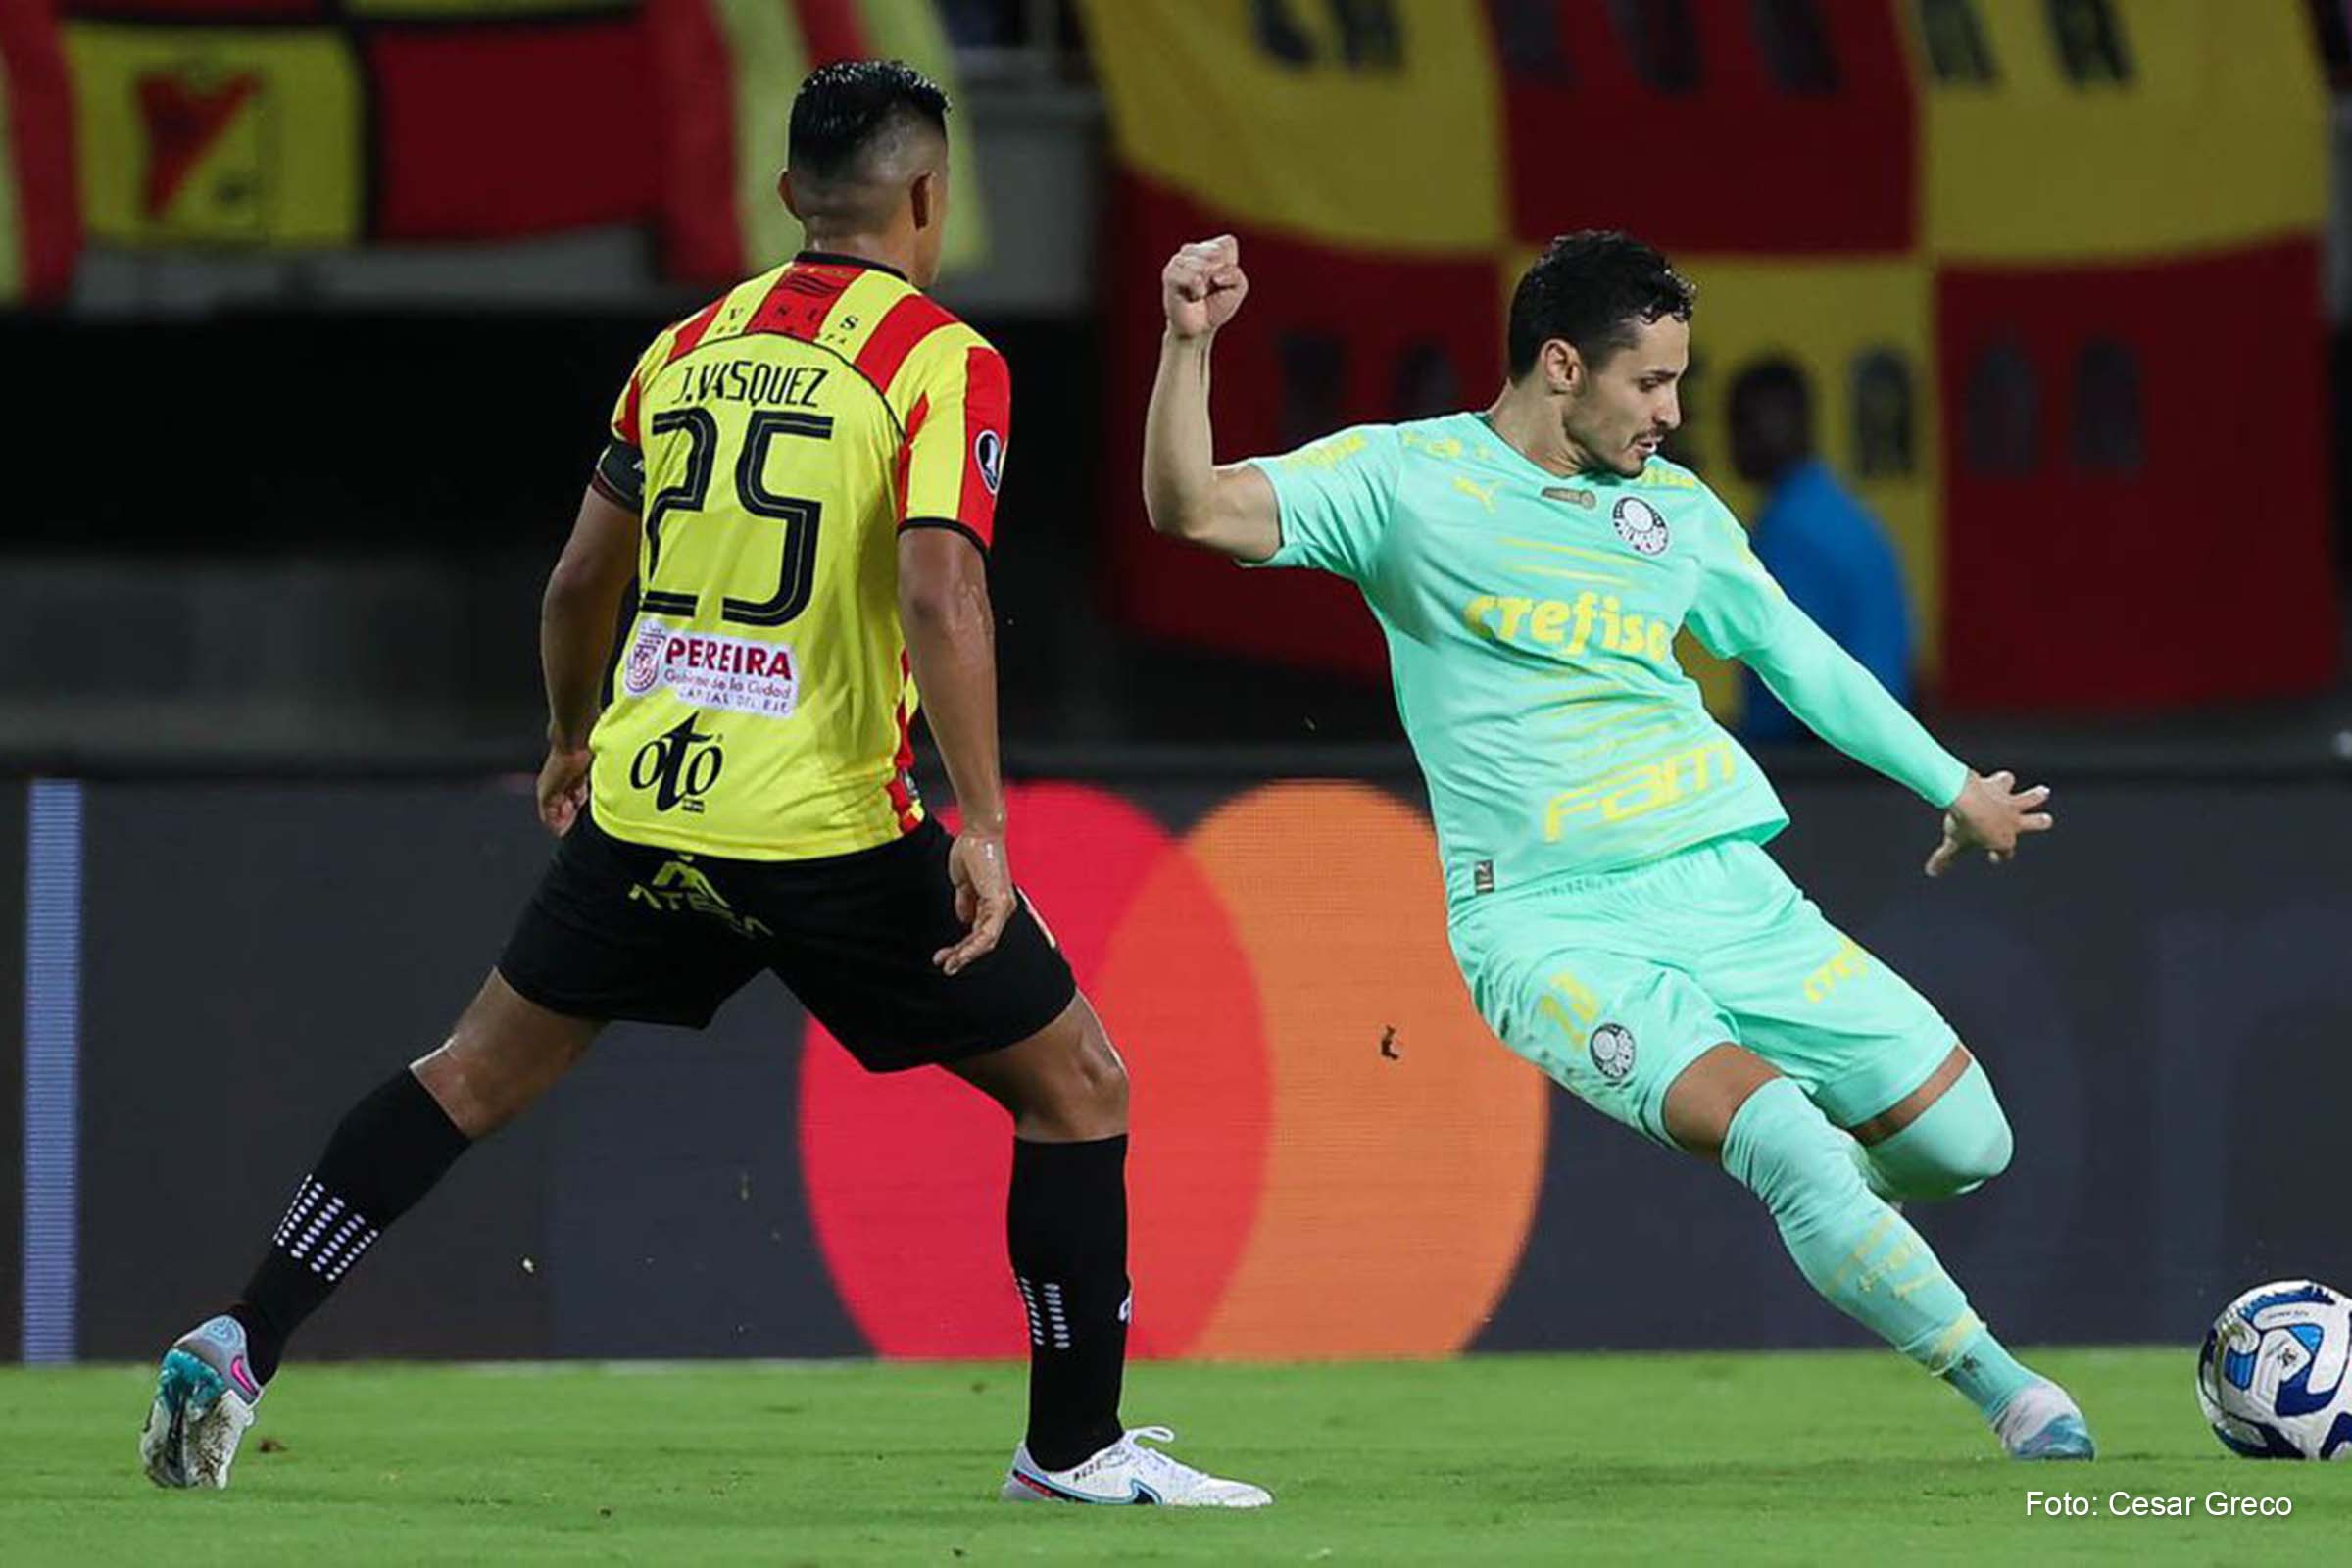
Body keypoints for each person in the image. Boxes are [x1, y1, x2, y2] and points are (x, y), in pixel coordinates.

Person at [139, 60, 1268, 1509]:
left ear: (790, 195)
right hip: (829, 825)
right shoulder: (940, 357)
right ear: (930, 197)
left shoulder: (684, 348)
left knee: (467, 1077)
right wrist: (981, 820)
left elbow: (575, 583)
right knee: (1079, 1091)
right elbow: (939, 586)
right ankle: (1070, 1450)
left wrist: (566, 738)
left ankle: (242, 1336)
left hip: (649, 804)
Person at [1140, 229, 2091, 1460]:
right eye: (1649, 382)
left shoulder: (1673, 513)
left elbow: (1792, 656)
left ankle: (1849, 1222)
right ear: (1558, 366)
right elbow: (1190, 505)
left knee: (1967, 1145)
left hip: (1723, 887)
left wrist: (1954, 785)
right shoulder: (1405, 483)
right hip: (1546, 924)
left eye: (1678, 382)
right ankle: (2009, 1390)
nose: (1673, 412)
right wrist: (1188, 343)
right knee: (1793, 1143)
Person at [1726, 358, 1916, 744]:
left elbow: (1791, 669)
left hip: (1825, 763)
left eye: (1743, 423)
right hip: (1873, 749)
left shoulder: (1790, 526)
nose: (1733, 441)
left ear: (1786, 420)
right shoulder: (1833, 504)